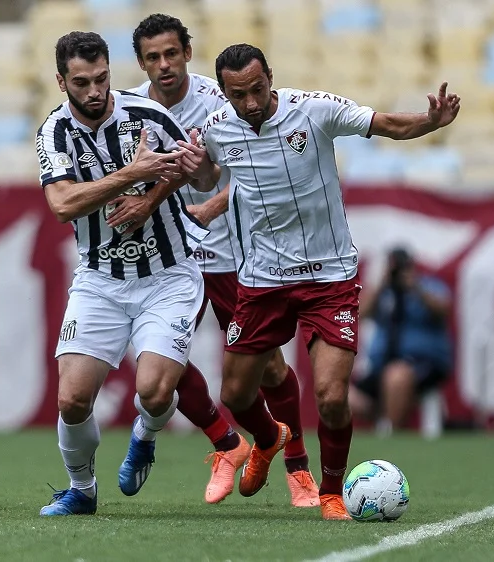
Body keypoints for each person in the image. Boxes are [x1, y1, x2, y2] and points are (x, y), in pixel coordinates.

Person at [175, 43, 460, 519]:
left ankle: (330, 494)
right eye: (238, 94)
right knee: (236, 396)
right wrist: (196, 172)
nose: (250, 102)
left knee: (330, 396)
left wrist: (430, 122)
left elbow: (386, 124)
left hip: (328, 278)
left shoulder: (313, 111)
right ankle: (270, 438)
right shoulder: (218, 130)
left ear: (271, 76)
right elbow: (207, 177)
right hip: (262, 281)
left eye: (258, 89)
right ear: (224, 93)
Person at [114, 13, 318, 507]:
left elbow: (256, 168)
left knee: (267, 368)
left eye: (171, 53)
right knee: (162, 363)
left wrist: (208, 205)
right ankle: (228, 444)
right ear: (141, 62)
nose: (164, 65)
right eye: (153, 57)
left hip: (229, 251)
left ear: (187, 51)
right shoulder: (130, 110)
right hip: (166, 256)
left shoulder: (219, 101)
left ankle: (297, 466)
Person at [35, 31, 216, 516]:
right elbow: (61, 204)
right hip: (101, 279)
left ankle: (144, 435)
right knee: (72, 400)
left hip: (169, 275)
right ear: (61, 81)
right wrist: (131, 176)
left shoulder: (150, 116)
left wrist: (195, 171)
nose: (94, 91)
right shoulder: (54, 133)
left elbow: (202, 176)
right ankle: (82, 490)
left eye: (101, 79)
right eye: (81, 82)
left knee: (154, 392)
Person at [350, 247, 453, 434]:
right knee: (347, 397)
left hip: (422, 362)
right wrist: (382, 283)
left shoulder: (429, 285)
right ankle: (387, 420)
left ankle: (390, 433)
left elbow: (443, 309)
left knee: (396, 376)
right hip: (383, 364)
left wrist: (415, 286)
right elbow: (359, 314)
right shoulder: (384, 293)